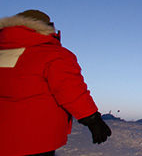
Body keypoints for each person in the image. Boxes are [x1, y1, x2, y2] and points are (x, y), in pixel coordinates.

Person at [0, 10, 112, 156]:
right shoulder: (52, 55)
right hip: (33, 140)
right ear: (46, 27)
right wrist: (92, 119)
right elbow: (71, 91)